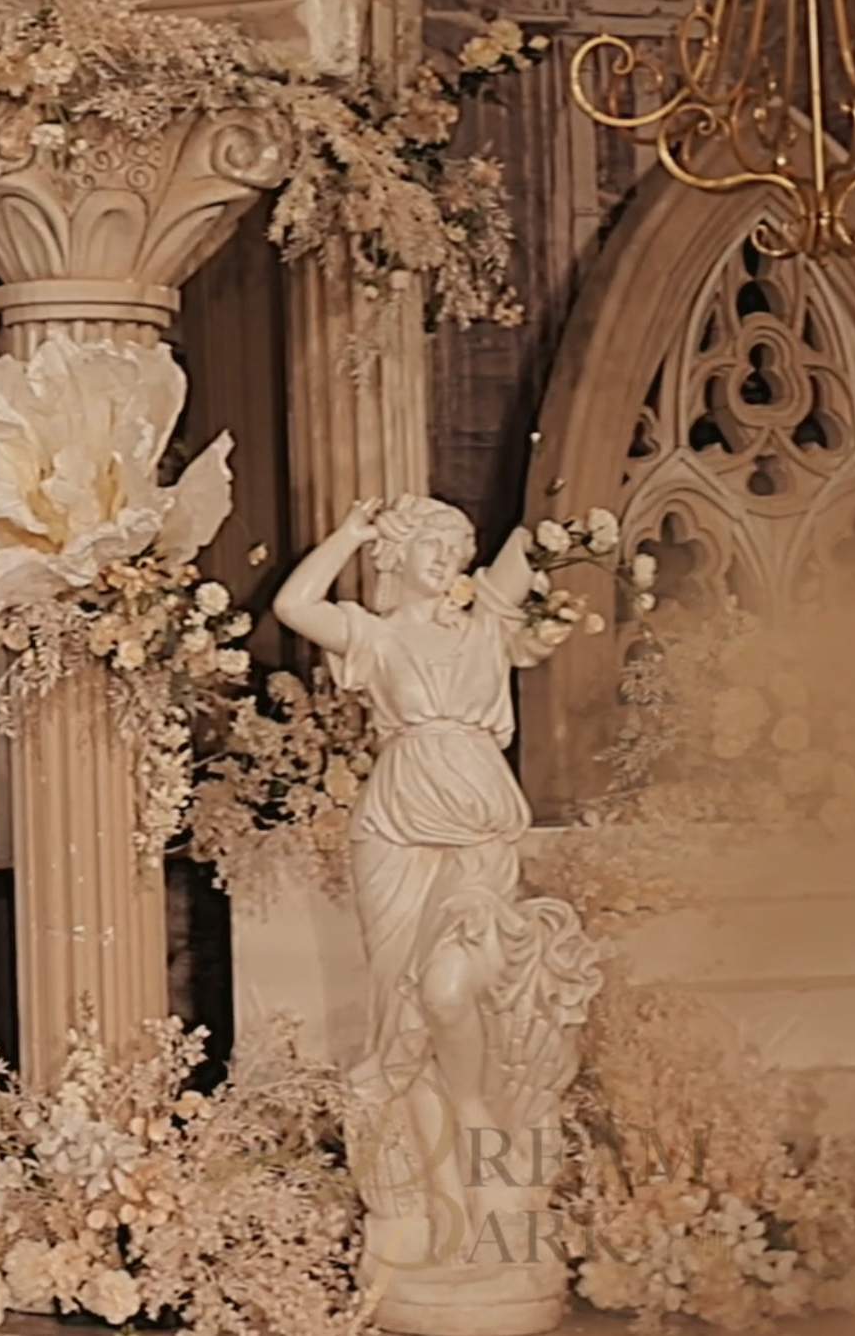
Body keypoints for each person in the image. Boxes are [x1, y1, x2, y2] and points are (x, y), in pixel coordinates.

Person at [273, 495, 599, 1329]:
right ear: (400, 554)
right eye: (435, 544)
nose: (449, 558)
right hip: (396, 834)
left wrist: (567, 538)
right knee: (403, 1017)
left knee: (457, 992)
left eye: (459, 546)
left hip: (479, 832)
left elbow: (538, 539)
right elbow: (294, 604)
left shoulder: (486, 624)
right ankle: (441, 1207)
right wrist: (349, 534)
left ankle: (484, 1129)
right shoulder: (378, 637)